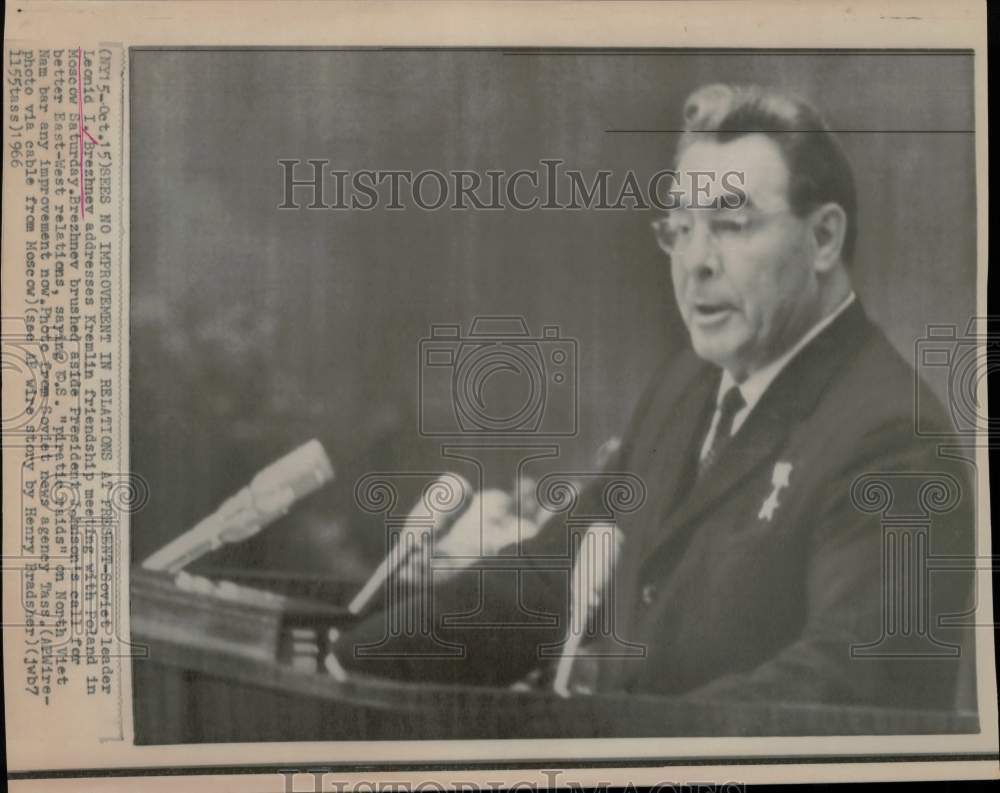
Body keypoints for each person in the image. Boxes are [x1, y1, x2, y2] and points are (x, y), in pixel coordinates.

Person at [332, 84, 974, 712]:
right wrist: (348, 660)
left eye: (730, 225)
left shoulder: (895, 439)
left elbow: (843, 692)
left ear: (824, 239)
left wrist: (617, 755)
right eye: (680, 229)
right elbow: (548, 576)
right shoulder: (685, 389)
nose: (695, 261)